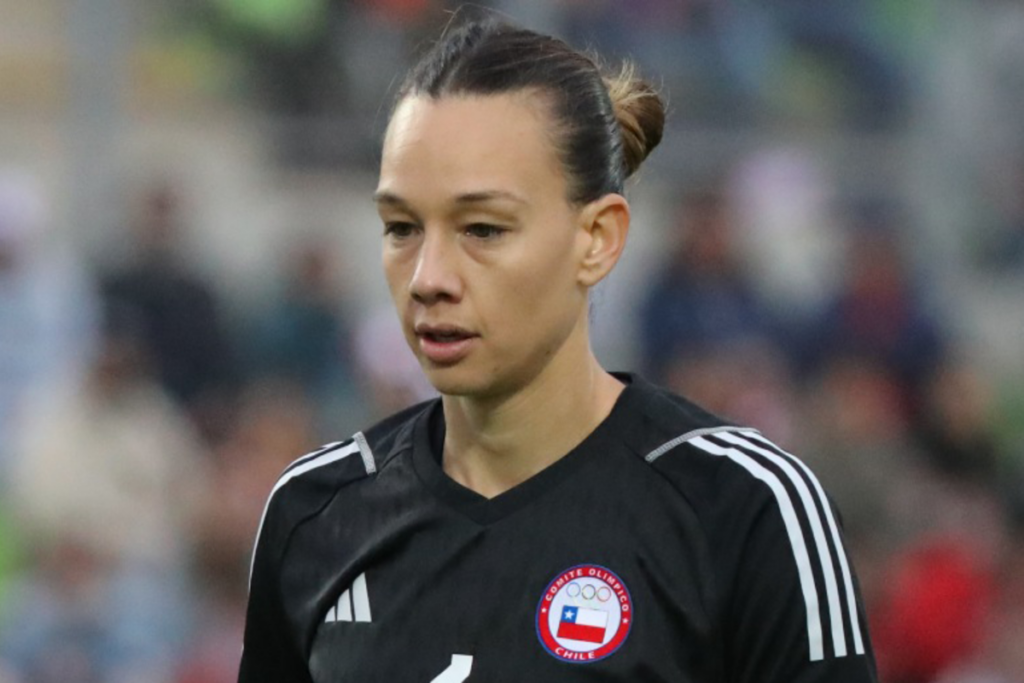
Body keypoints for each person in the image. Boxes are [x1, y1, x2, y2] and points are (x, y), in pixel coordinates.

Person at [239, 17, 878, 682]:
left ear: (597, 237)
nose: (429, 278)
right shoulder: (316, 513)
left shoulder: (744, 507)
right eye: (401, 227)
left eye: (482, 228)